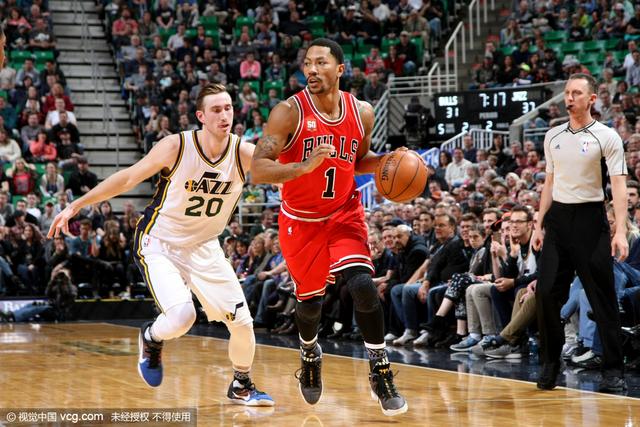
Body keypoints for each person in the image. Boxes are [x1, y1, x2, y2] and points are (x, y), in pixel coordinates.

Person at [48, 83, 274, 406]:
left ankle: (241, 384)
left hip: (205, 246)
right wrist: (77, 205)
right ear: (201, 116)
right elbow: (128, 178)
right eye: (216, 110)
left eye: (228, 108)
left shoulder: (244, 153)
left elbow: (284, 174)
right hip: (161, 242)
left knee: (242, 322)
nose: (225, 115)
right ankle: (151, 338)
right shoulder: (177, 146)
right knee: (183, 317)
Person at [251, 38, 409, 416]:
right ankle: (309, 351)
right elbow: (257, 168)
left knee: (361, 285)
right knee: (310, 305)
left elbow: (358, 159)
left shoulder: (363, 112)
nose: (311, 70)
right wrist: (300, 168)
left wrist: (391, 163)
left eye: (320, 62)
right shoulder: (287, 113)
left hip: (343, 212)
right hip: (300, 222)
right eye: (307, 63)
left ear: (340, 69)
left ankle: (380, 369)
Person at [532, 73, 628, 393]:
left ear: (592, 99)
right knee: (545, 292)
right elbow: (549, 182)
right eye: (566, 92)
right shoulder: (552, 135)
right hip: (558, 219)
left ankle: (613, 367)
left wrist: (621, 231)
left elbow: (618, 186)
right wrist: (538, 223)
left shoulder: (607, 136)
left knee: (602, 297)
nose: (569, 98)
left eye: (576, 93)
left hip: (591, 219)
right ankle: (550, 363)